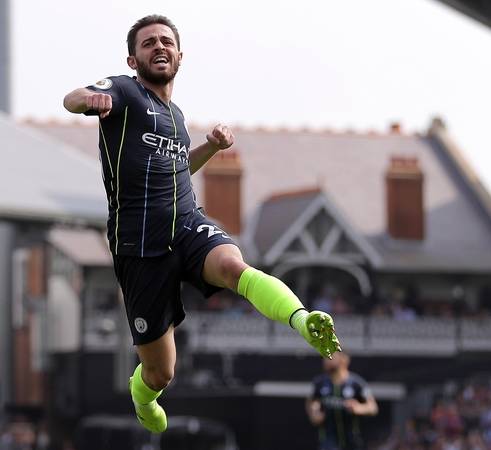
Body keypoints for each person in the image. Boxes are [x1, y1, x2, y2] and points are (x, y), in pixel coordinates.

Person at [63, 14, 341, 434]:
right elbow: (73, 98)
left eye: (166, 41)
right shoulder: (123, 90)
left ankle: (303, 320)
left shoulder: (175, 115)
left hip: (187, 225)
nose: (159, 46)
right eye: (148, 43)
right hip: (140, 247)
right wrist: (90, 100)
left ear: (180, 56)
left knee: (232, 266)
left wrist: (209, 147)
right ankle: (143, 396)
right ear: (133, 60)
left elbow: (178, 168)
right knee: (161, 373)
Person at [305, 351, 377, 449]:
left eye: (330, 357)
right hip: (328, 443)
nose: (325, 361)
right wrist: (314, 414)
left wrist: (359, 408)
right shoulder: (319, 383)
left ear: (343, 360)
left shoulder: (357, 383)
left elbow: (372, 407)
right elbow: (311, 402)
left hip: (352, 443)